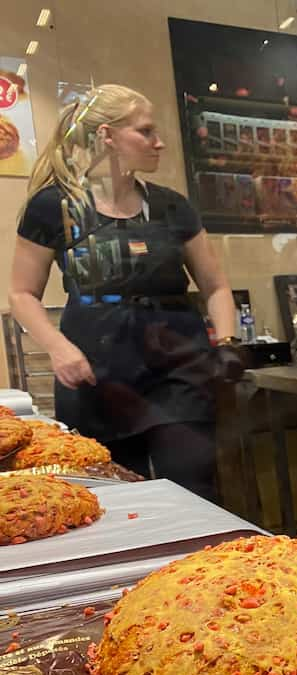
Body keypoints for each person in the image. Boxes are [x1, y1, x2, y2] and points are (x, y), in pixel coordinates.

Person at [8, 84, 243, 501]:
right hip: (99, 374)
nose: (160, 142)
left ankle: (202, 562)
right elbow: (22, 294)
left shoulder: (172, 207)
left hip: (178, 369)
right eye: (146, 131)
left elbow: (216, 286)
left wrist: (227, 343)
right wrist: (58, 348)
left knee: (194, 487)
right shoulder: (54, 207)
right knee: (115, 496)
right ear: (107, 136)